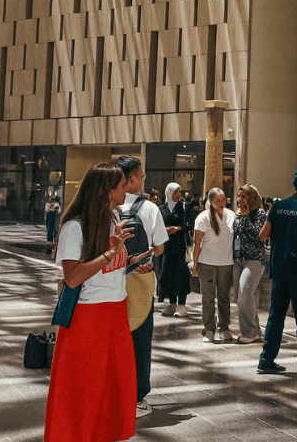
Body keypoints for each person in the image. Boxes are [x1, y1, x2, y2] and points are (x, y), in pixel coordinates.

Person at [45, 162, 136, 442]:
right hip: (89, 318)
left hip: (116, 313)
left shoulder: (111, 219)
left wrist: (131, 262)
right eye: (123, 184)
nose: (127, 188)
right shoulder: (75, 227)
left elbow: (107, 268)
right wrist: (111, 253)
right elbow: (72, 277)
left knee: (115, 385)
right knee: (86, 388)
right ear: (108, 190)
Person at [258, 169, 297, 376]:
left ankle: (266, 360)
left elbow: (263, 234)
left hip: (279, 269)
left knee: (275, 315)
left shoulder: (278, 206)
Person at [116, 156, 167, 416]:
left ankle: (112, 392)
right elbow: (158, 247)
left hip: (109, 282)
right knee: (139, 339)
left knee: (113, 339)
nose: (144, 180)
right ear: (132, 179)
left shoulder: (106, 205)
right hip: (140, 282)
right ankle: (136, 397)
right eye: (142, 176)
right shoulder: (149, 208)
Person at [191, 187, 237, 342]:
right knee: (208, 297)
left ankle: (224, 328)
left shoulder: (231, 215)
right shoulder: (203, 218)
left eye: (223, 199)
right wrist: (195, 263)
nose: (222, 202)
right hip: (207, 264)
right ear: (210, 202)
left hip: (226, 263)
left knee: (224, 297)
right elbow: (197, 244)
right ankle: (209, 330)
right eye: (218, 200)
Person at [231, 184, 267, 343]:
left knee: (245, 294)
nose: (240, 199)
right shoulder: (237, 215)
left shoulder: (259, 213)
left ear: (251, 198)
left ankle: (250, 332)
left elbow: (258, 235)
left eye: (244, 196)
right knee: (242, 297)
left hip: (254, 259)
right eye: (239, 196)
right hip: (238, 259)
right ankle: (256, 330)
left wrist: (245, 218)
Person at [158, 183, 191, 316]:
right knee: (169, 274)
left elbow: (191, 224)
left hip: (180, 246)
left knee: (181, 274)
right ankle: (172, 304)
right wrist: (165, 230)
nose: (178, 194)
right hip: (167, 247)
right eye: (175, 192)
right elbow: (158, 224)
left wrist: (177, 228)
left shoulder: (184, 207)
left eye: (179, 191)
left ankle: (182, 305)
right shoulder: (162, 208)